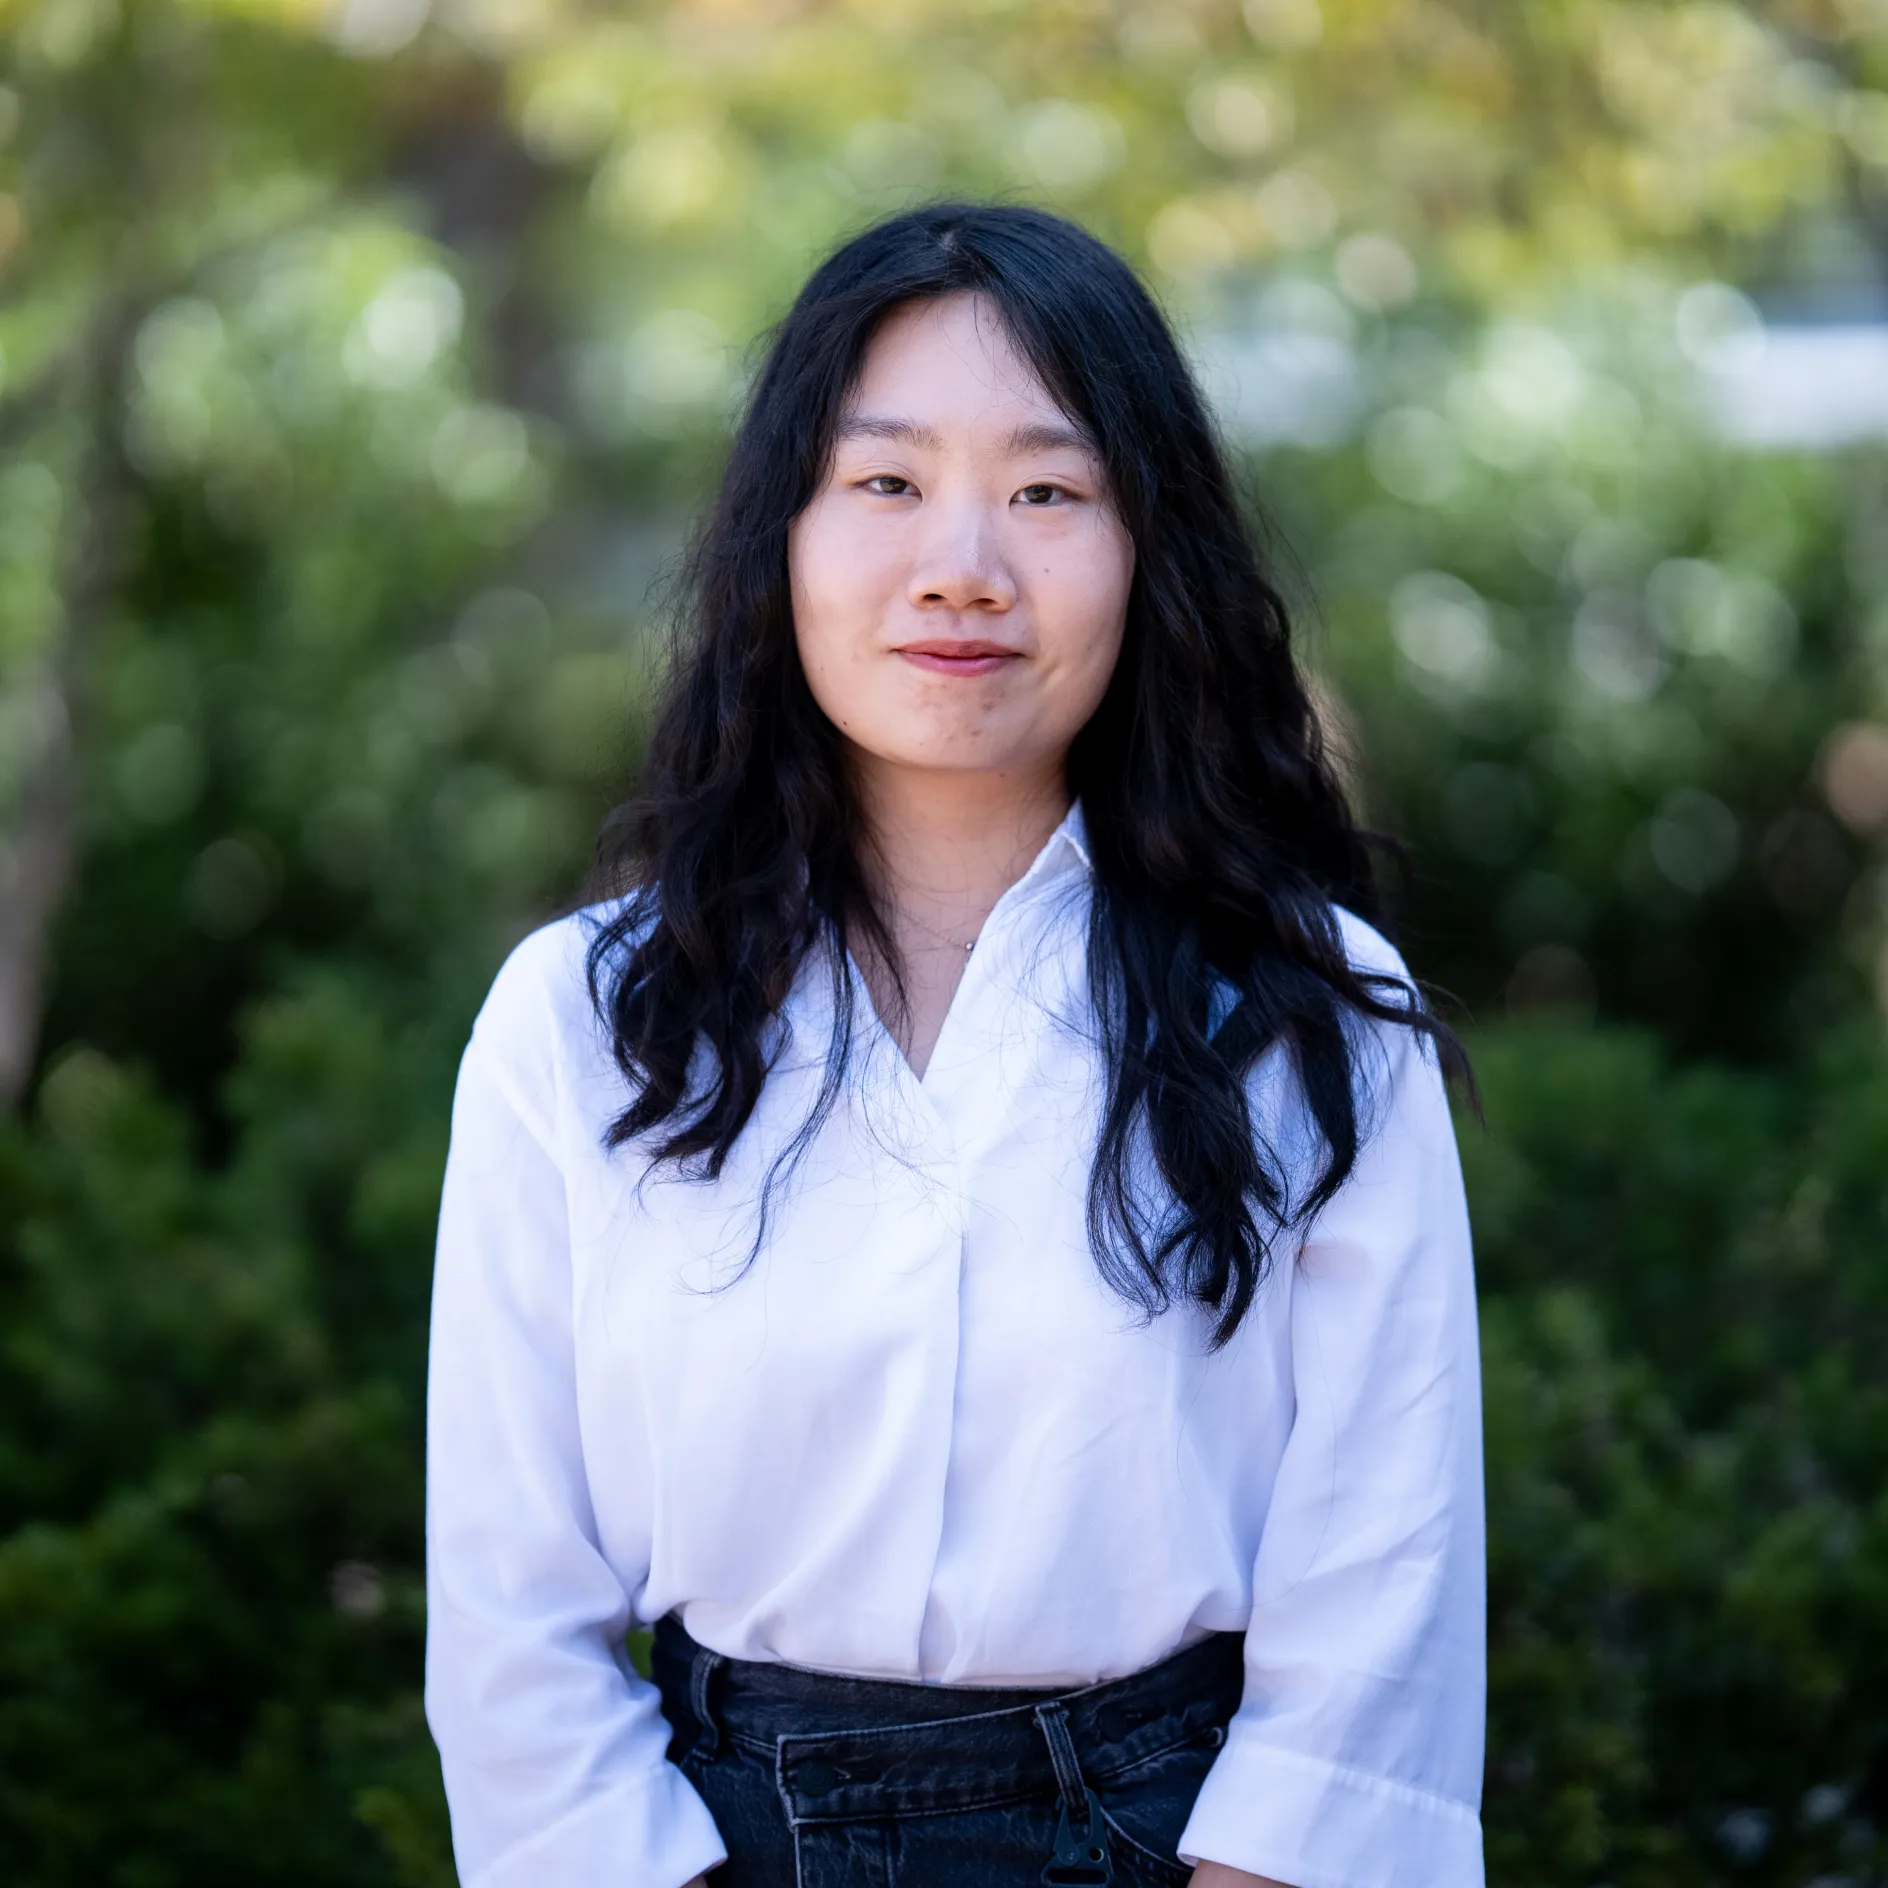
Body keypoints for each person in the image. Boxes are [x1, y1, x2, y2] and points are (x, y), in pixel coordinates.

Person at [424, 202, 1485, 1888]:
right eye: (889, 482)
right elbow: (507, 1607)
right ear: (783, 533)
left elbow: (1384, 1588)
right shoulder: (585, 1020)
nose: (964, 566)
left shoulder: (1307, 1012)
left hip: (1183, 1841)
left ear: (1151, 550)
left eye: (1050, 491)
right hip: (713, 1845)